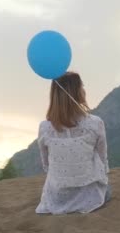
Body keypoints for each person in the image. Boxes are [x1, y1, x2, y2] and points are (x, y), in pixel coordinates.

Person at [35, 71, 111, 215]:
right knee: (106, 189)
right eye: (82, 86)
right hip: (90, 196)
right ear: (77, 92)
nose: (84, 90)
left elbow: (46, 165)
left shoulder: (44, 128)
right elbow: (102, 161)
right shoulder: (95, 123)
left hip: (57, 198)